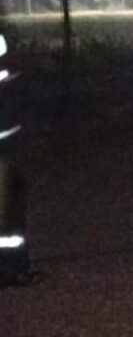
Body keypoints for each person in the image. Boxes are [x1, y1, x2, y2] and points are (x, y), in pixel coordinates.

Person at [0, 30, 29, 286]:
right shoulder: (10, 80)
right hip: (8, 151)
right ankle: (13, 268)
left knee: (11, 213)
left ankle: (15, 268)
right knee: (8, 214)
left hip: (10, 150)